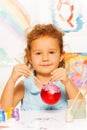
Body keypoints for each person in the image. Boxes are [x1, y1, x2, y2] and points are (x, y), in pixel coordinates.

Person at [0, 24, 83, 111]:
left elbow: (81, 110)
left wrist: (67, 83)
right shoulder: (25, 85)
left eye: (51, 52)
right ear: (29, 58)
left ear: (61, 56)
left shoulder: (65, 83)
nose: (45, 58)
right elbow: (3, 111)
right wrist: (11, 80)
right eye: (38, 53)